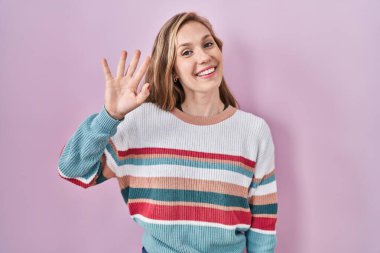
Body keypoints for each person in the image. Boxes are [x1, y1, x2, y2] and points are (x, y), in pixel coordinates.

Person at [57, 12, 278, 253]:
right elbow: (72, 169)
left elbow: (262, 227)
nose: (204, 57)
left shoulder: (254, 132)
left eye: (208, 44)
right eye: (186, 52)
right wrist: (109, 116)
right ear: (173, 70)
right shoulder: (142, 121)